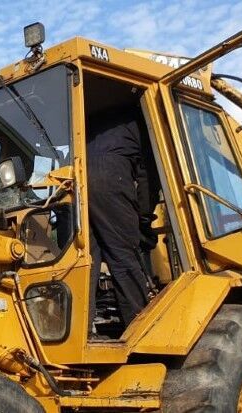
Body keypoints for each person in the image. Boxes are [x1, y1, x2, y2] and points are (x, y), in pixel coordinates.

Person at [87, 106, 153, 330]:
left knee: (86, 259)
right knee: (123, 257)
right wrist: (143, 220)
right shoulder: (142, 125)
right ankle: (140, 332)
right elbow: (147, 181)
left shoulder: (88, 123)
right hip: (108, 177)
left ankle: (83, 330)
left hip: (75, 175)